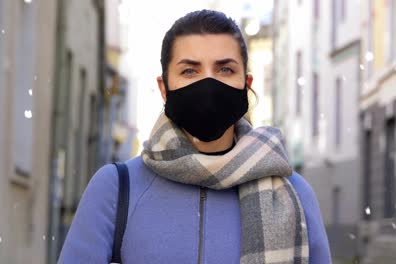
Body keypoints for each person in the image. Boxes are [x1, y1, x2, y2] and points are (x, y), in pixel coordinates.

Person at [58, 9, 331, 264]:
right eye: (190, 71)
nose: (208, 84)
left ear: (245, 86)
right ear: (164, 88)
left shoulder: (290, 194)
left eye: (225, 69)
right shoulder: (116, 189)